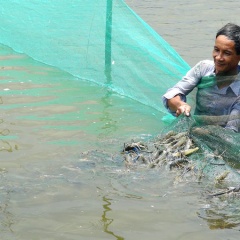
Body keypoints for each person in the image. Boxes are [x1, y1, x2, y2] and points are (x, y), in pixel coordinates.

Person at [162, 23, 240, 133]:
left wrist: (202, 133)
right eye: (216, 50)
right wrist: (181, 105)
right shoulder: (203, 68)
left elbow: (231, 132)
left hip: (222, 141)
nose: (218, 57)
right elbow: (172, 94)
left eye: (227, 53)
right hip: (195, 132)